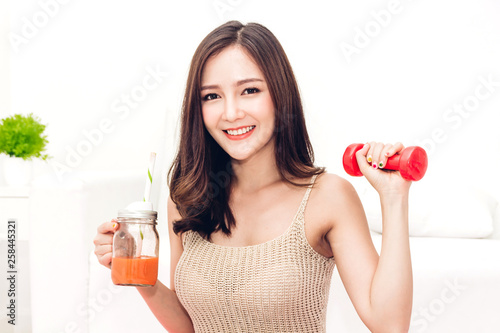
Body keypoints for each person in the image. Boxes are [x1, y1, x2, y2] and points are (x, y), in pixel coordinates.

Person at [93, 20, 413, 332]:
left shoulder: (327, 197)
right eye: (212, 96)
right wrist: (140, 276)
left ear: (279, 94)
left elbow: (389, 325)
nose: (231, 113)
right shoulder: (188, 197)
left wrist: (394, 197)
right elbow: (191, 325)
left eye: (249, 90)